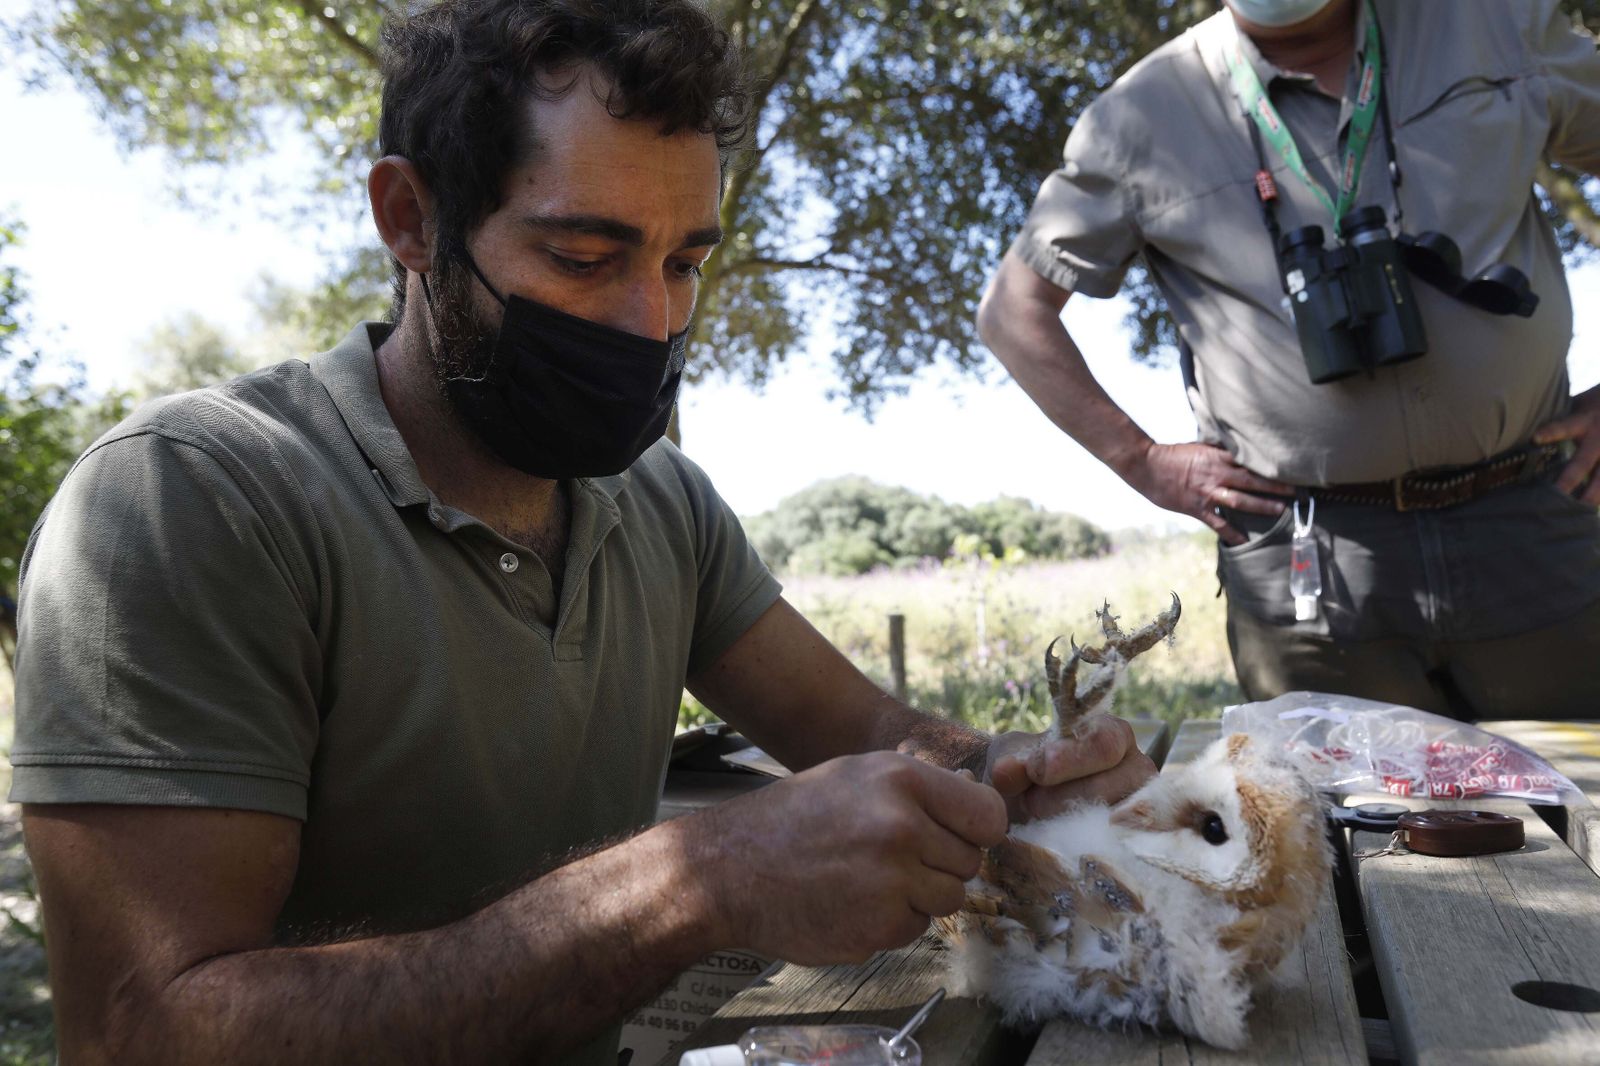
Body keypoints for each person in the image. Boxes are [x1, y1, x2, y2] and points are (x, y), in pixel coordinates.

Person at [8, 2, 1155, 1063]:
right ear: (411, 220)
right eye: (582, 258)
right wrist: (693, 881)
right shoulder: (190, 500)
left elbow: (868, 731)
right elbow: (140, 1032)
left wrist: (1011, 778)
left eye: (684, 262)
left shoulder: (662, 505)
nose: (650, 322)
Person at [979, 0, 1600, 720]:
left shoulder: (1494, 24)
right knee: (1327, 793)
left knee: (1577, 788)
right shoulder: (1139, 115)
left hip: (1532, 520)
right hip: (1311, 560)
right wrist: (1141, 460)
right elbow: (1012, 313)